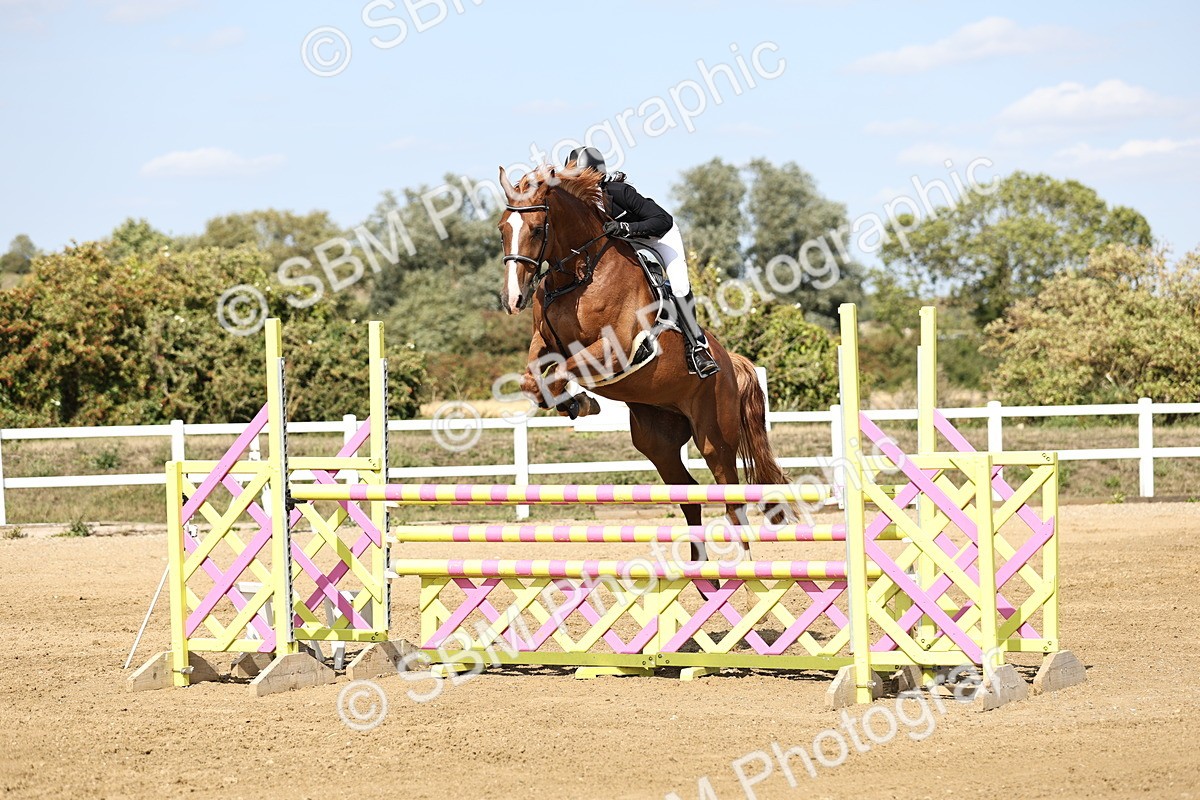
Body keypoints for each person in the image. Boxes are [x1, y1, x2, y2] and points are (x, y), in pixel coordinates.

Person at [566, 146, 719, 379]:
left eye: (578, 176)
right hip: (629, 242)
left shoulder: (619, 193)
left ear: (594, 175)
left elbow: (663, 220)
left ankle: (697, 346)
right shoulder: (580, 208)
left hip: (659, 237)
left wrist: (626, 227)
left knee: (678, 286)